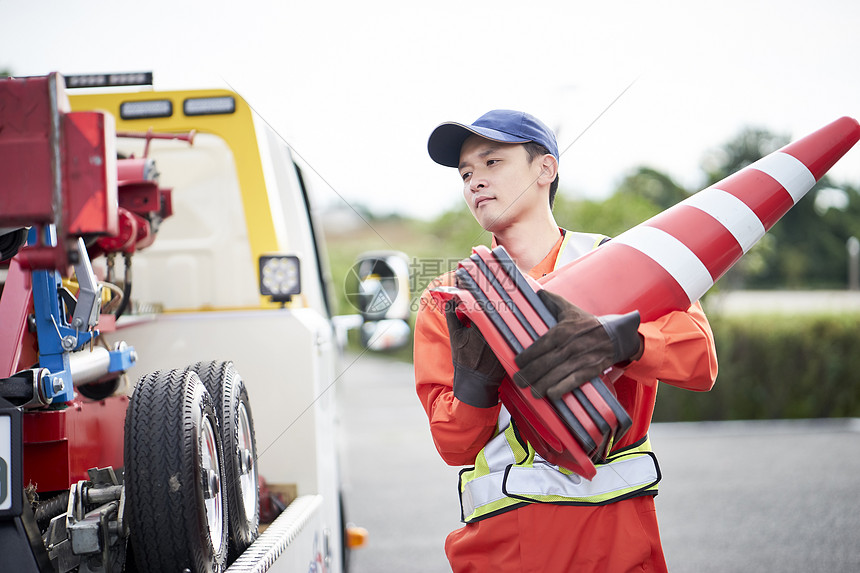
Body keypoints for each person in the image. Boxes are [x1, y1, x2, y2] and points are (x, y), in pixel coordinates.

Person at [414, 109, 718, 572]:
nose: (475, 181)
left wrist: (623, 342)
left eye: (492, 162)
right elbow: (454, 446)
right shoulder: (448, 300)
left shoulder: (620, 259)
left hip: (615, 548)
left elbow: (700, 361)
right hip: (499, 553)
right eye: (466, 173)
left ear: (546, 169)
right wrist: (476, 385)